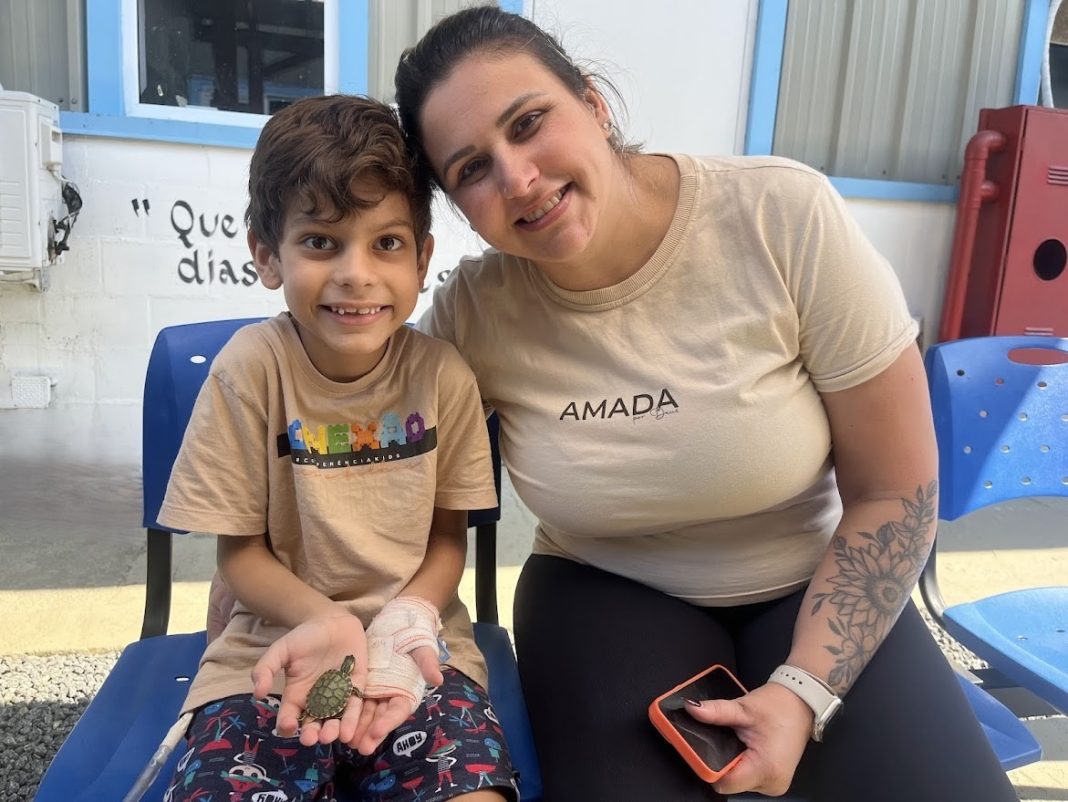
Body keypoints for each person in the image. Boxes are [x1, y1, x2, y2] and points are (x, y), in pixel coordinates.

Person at [390, 7, 1022, 802]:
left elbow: (896, 490)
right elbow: (366, 440)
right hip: (603, 587)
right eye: (471, 169)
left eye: (529, 123)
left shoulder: (782, 216)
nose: (516, 178)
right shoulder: (476, 310)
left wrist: (803, 692)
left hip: (812, 575)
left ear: (593, 102)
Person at [157, 94, 517, 802]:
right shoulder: (250, 369)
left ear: (422, 258)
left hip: (418, 654)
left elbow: (448, 541)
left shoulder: (444, 376)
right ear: (268, 254)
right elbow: (240, 554)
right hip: (272, 654)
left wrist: (403, 623)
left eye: (387, 243)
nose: (357, 273)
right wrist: (326, 620)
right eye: (322, 242)